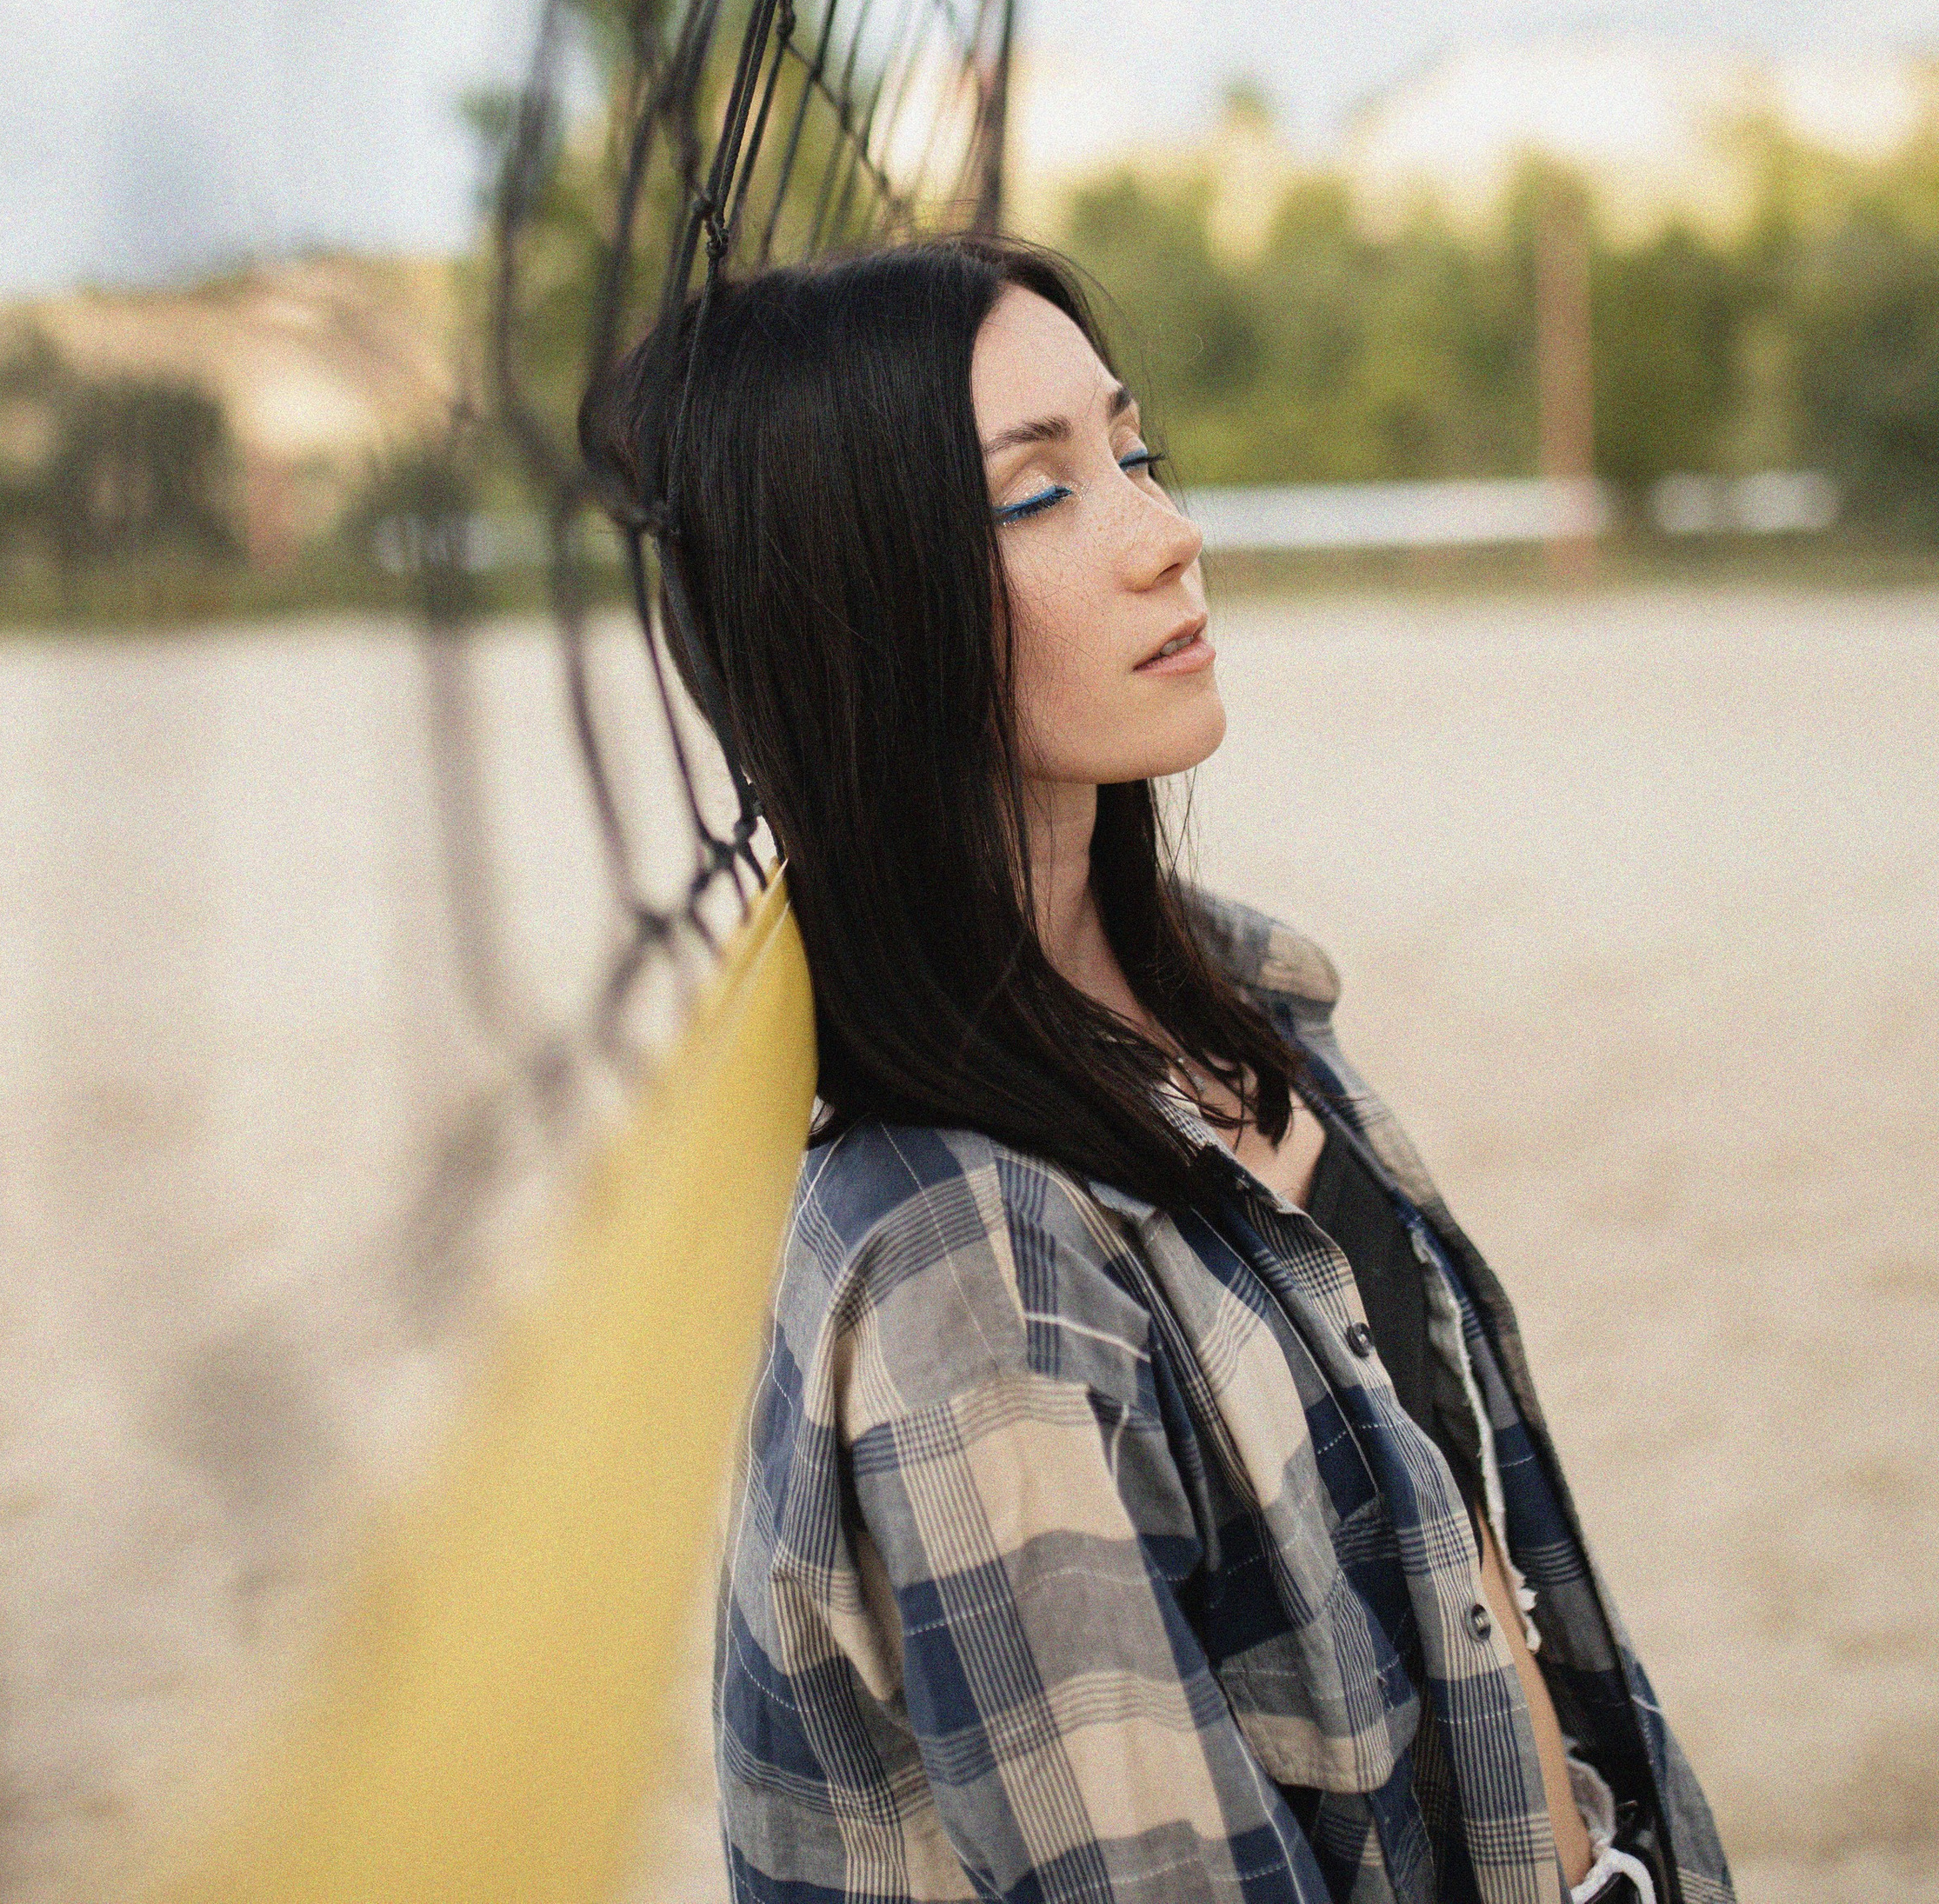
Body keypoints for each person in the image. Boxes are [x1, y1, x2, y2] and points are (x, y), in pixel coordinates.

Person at [585, 238, 1734, 1904]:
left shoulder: (1239, 994)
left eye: (1133, 454)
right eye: (1035, 497)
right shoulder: (967, 1275)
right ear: (858, 595)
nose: (1166, 533)